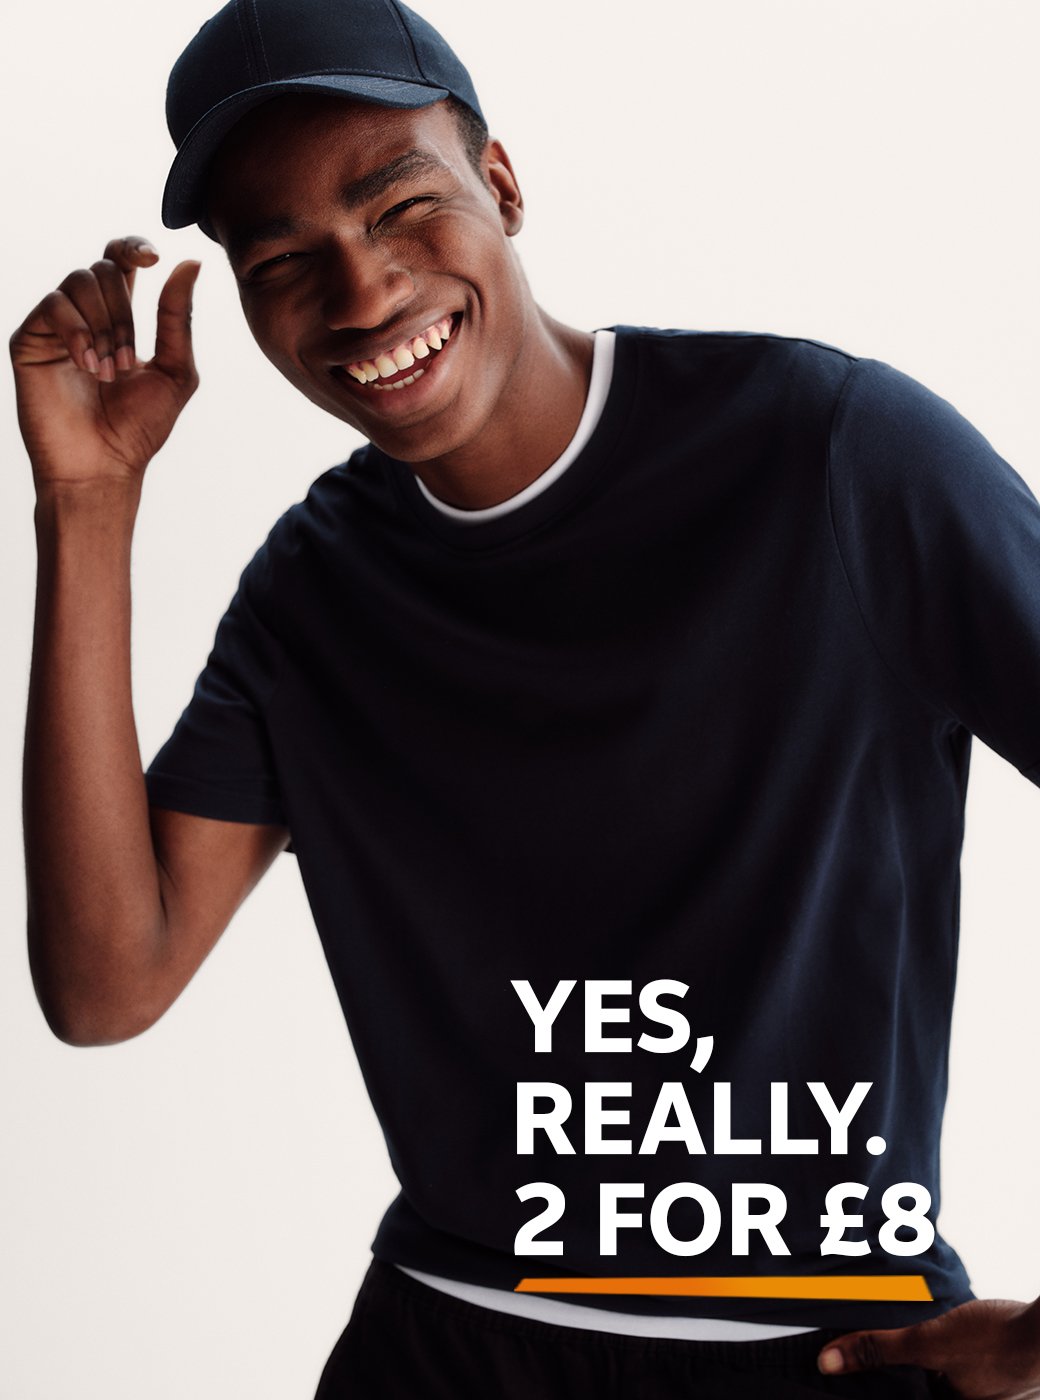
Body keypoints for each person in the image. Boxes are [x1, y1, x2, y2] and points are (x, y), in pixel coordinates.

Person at [11, 0, 1040, 1394]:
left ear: (500, 182)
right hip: (438, 1351)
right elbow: (105, 983)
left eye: (400, 207)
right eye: (284, 261)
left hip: (813, 1348)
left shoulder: (835, 459)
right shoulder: (315, 595)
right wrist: (86, 504)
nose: (363, 295)